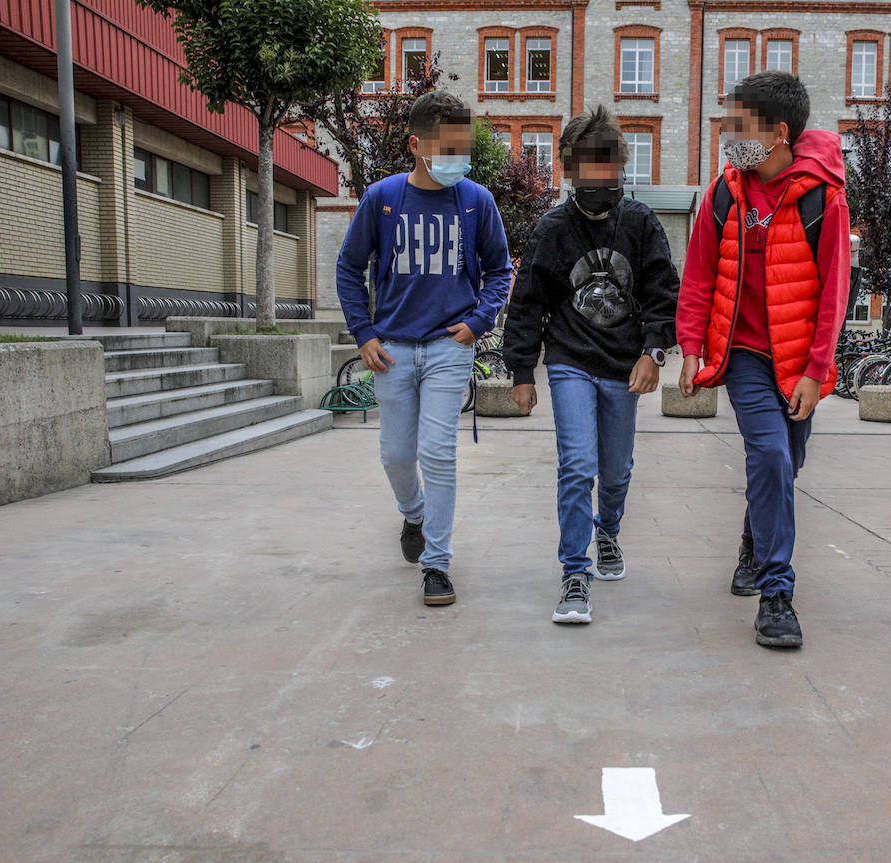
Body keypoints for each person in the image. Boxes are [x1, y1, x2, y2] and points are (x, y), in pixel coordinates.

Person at [676, 71, 852, 648]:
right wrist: (691, 349)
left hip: (798, 359)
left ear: (778, 133)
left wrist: (816, 369)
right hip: (745, 355)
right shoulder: (724, 193)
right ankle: (777, 594)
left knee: (786, 464)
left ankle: (755, 541)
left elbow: (834, 292)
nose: (728, 133)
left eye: (739, 123)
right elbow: (699, 274)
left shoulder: (823, 199)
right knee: (771, 455)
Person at [335, 91, 514, 606]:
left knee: (438, 452)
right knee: (395, 455)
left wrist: (478, 322)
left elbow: (500, 268)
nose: (459, 155)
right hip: (390, 349)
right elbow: (350, 268)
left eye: (464, 145)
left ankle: (437, 563)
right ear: (416, 144)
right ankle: (413, 514)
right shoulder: (383, 197)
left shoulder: (477, 201)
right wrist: (364, 334)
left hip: (447, 348)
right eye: (448, 145)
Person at [502, 105, 679, 625]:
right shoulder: (553, 228)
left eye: (607, 166)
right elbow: (528, 301)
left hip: (625, 365)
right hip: (570, 361)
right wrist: (520, 370)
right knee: (577, 466)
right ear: (570, 170)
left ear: (620, 167)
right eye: (586, 167)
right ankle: (574, 573)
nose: (598, 178)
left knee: (616, 470)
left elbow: (663, 293)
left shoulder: (642, 223)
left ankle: (608, 532)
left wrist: (654, 351)